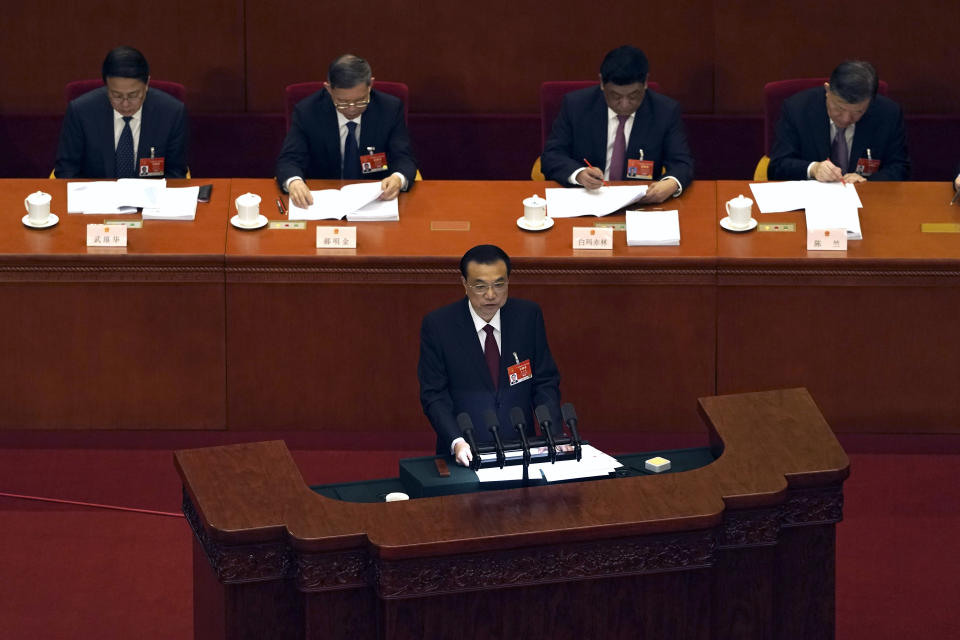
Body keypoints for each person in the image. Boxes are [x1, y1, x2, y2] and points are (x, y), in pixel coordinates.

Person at [418, 245, 562, 466]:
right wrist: (456, 440)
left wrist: (551, 433)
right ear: (464, 284)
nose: (491, 295)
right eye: (480, 286)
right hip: (465, 452)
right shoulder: (439, 326)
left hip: (521, 447)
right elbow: (434, 394)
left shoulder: (527, 316)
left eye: (499, 284)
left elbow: (544, 381)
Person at [541, 45, 694, 204]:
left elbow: (682, 163)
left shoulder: (665, 112)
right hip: (587, 199)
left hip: (640, 204)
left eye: (633, 96)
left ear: (646, 83)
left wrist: (671, 183)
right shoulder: (576, 106)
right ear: (601, 83)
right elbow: (552, 156)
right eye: (615, 96)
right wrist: (578, 174)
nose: (624, 104)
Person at [276, 54, 418, 209]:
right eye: (342, 102)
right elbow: (289, 159)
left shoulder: (389, 109)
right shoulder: (307, 112)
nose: (351, 109)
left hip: (375, 200)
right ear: (329, 89)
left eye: (360, 101)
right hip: (322, 199)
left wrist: (398, 179)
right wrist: (294, 182)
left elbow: (403, 157)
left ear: (370, 85)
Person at [54, 46, 188, 179]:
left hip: (150, 197)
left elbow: (175, 172)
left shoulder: (171, 113)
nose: (125, 104)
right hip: (97, 197)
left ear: (147, 83)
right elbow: (66, 170)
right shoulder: (81, 112)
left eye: (133, 95)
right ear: (106, 86)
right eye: (116, 95)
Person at [769, 60, 909, 182]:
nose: (846, 118)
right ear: (827, 90)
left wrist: (867, 181)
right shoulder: (797, 110)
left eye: (858, 111)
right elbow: (777, 167)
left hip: (866, 201)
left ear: (870, 102)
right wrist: (813, 169)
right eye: (839, 108)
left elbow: (900, 168)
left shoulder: (888, 114)